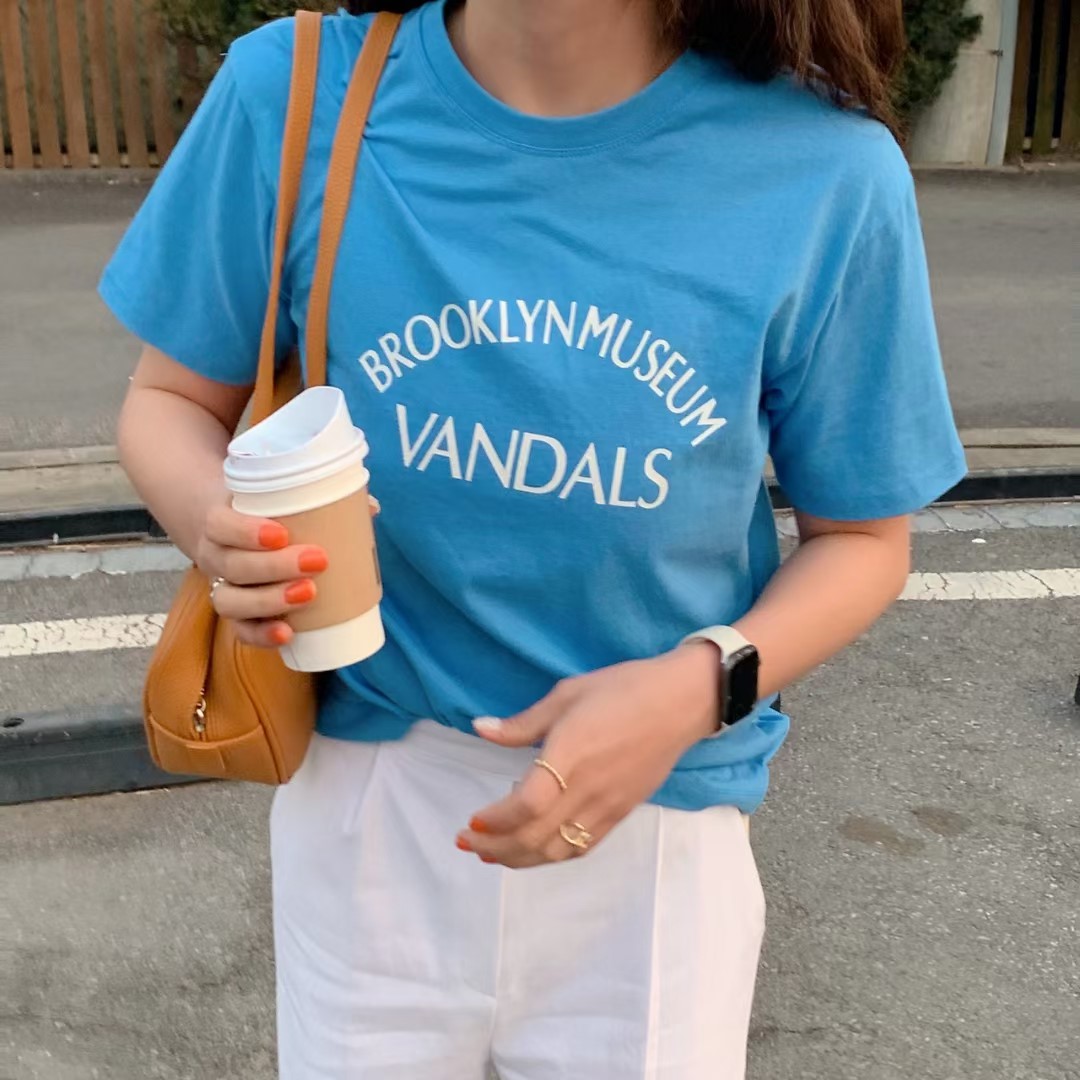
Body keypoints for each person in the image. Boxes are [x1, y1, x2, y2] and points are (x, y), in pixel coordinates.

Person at [100, 0, 966, 1075]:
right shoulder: (297, 91)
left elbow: (865, 541)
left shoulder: (826, 169)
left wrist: (696, 686)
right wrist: (220, 528)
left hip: (659, 831)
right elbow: (169, 401)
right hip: (366, 809)